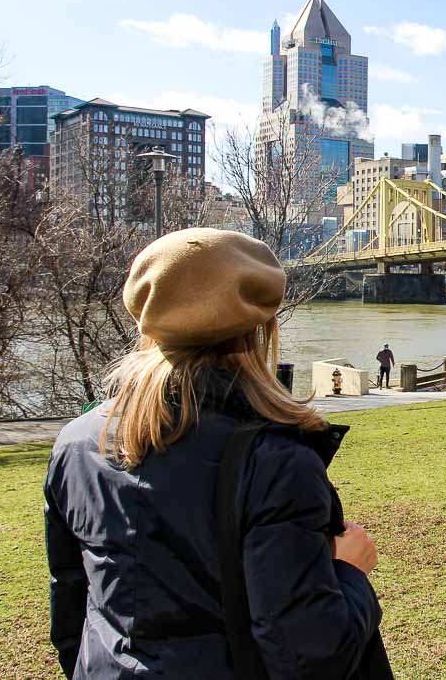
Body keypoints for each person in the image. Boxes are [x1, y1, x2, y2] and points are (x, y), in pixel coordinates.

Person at [43, 228, 394, 679]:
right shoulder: (275, 460)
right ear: (262, 329)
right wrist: (350, 573)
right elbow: (310, 657)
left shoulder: (75, 443)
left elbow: (72, 612)